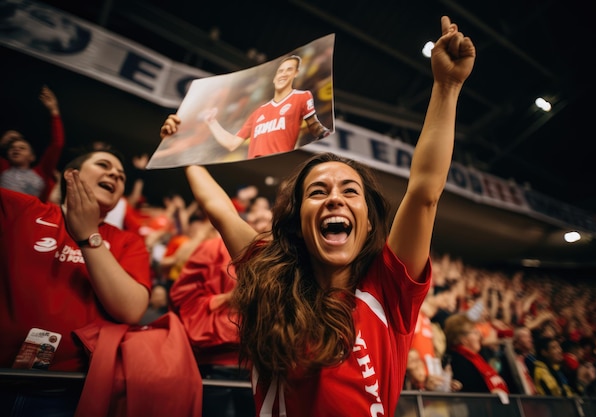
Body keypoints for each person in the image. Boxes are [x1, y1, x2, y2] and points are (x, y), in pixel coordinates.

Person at [159, 15, 475, 416]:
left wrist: (446, 87)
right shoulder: (270, 279)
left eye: (349, 190)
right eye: (318, 192)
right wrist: (181, 150)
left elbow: (425, 192)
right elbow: (220, 211)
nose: (334, 200)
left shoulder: (389, 289)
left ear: (368, 218)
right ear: (298, 221)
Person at [0, 146, 152, 415]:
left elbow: (130, 309)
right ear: (72, 175)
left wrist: (88, 237)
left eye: (121, 176)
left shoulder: (128, 242)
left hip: (64, 391)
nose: (115, 175)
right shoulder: (21, 210)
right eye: (104, 165)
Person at [169, 201, 273, 417]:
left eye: (268, 216)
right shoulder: (213, 247)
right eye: (256, 215)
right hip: (216, 362)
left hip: (266, 364)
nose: (262, 221)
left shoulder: (285, 256)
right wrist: (228, 298)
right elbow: (182, 296)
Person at [202, 54, 331, 159]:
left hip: (280, 164)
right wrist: (211, 122)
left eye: (289, 70)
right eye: (280, 71)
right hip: (253, 166)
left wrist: (323, 132)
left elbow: (313, 124)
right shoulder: (258, 112)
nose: (284, 74)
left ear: (295, 73)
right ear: (274, 78)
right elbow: (231, 144)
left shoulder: (302, 96)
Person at [0, 85, 64, 202]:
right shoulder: (3, 168)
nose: (16, 149)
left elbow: (57, 144)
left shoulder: (41, 172)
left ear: (32, 157)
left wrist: (54, 111)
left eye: (22, 148)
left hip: (27, 217)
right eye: (12, 148)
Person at [443, 313, 510, 395]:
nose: (480, 336)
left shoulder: (478, 357)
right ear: (463, 339)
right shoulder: (457, 361)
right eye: (475, 332)